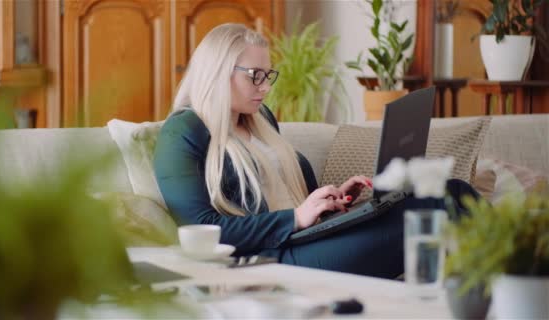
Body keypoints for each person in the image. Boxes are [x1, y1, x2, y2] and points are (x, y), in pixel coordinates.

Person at [153, 23, 479, 279]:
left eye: (268, 76)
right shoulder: (183, 132)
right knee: (436, 204)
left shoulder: (260, 119)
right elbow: (200, 228)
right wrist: (295, 218)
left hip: (307, 240)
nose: (265, 88)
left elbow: (290, 195)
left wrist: (331, 207)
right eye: (255, 77)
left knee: (451, 189)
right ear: (217, 72)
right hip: (272, 259)